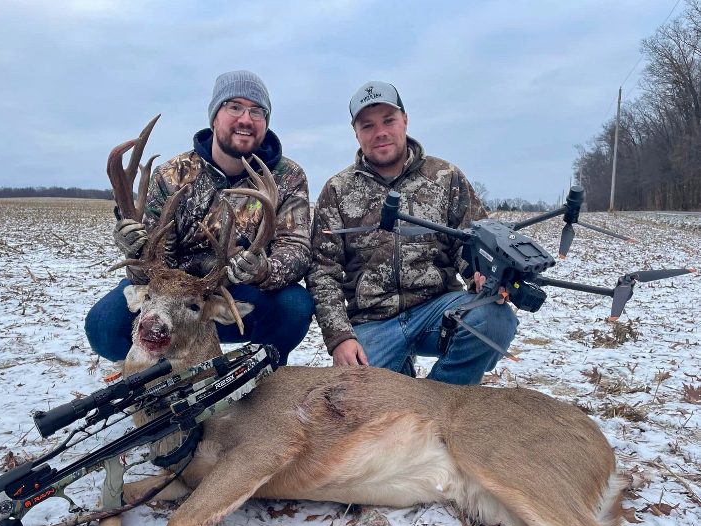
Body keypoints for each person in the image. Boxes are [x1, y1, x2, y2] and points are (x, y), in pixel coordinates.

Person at [86, 70, 313, 366]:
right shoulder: (172, 173)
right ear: (215, 117)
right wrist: (135, 249)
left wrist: (262, 269)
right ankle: (158, 371)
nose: (246, 119)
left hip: (238, 292)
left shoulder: (288, 176)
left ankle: (263, 374)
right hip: (172, 291)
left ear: (265, 122)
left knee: (294, 307)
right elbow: (148, 269)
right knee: (103, 326)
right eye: (234, 107)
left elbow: (295, 249)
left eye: (257, 111)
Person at [306, 80, 518, 384]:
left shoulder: (445, 177)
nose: (380, 132)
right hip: (372, 321)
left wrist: (481, 274)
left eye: (388, 120)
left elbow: (473, 243)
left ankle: (442, 397)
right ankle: (398, 375)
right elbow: (322, 272)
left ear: (405, 120)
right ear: (356, 134)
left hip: (437, 312)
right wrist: (339, 337)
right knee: (347, 398)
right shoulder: (337, 190)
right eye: (368, 126)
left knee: (494, 320)